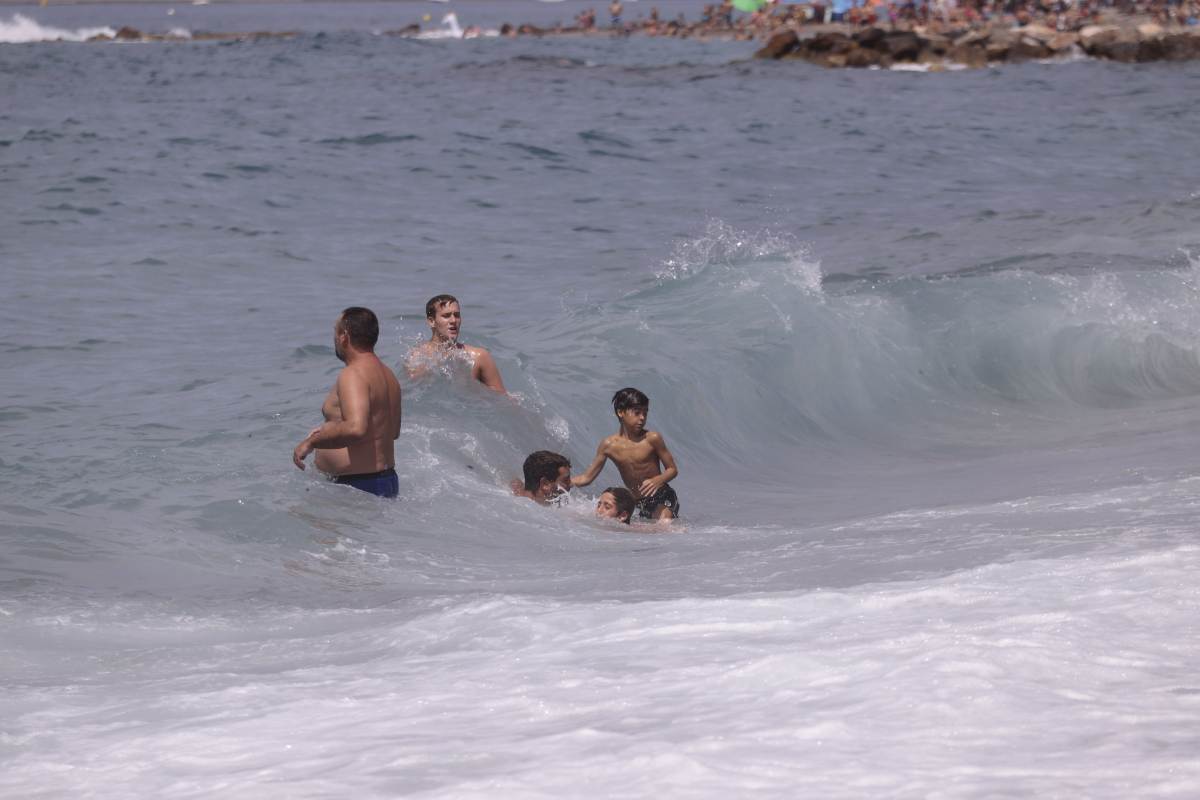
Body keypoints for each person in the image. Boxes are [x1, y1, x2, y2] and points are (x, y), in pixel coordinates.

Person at [293, 307, 403, 498]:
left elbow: (355, 428)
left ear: (344, 335)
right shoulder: (388, 375)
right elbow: (391, 432)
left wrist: (312, 442)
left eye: (335, 332)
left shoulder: (353, 373)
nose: (334, 339)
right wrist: (329, 431)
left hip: (358, 487)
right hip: (384, 481)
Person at [572, 387, 680, 521]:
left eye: (645, 413)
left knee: (663, 527)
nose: (642, 418)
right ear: (620, 412)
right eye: (637, 412)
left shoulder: (652, 438)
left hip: (662, 495)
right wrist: (564, 483)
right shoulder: (609, 445)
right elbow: (586, 478)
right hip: (638, 503)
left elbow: (673, 470)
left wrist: (657, 480)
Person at [406, 294, 506, 393]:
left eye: (457, 315)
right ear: (432, 321)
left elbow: (502, 398)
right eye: (446, 316)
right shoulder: (417, 358)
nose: (453, 320)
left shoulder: (480, 357)